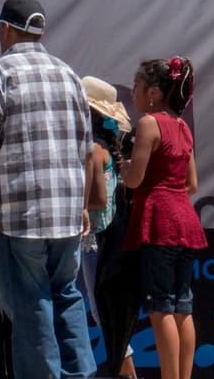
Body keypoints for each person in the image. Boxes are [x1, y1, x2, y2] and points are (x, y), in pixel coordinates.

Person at [0, 0, 96, 379]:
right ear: (41, 32)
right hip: (66, 216)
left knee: (32, 305)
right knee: (66, 297)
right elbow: (87, 151)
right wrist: (82, 207)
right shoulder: (68, 74)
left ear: (4, 29)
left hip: (21, 218)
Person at [121, 57, 204, 379]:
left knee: (160, 308)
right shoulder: (183, 127)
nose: (133, 92)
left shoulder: (148, 124)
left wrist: (123, 166)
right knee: (182, 306)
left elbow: (135, 179)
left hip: (159, 222)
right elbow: (192, 184)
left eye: (138, 86)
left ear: (154, 91)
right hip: (185, 219)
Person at [80, 75, 138, 379]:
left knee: (103, 313)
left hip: (95, 240)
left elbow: (99, 201)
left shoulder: (92, 149)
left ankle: (127, 375)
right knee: (106, 312)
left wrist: (74, 205)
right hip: (110, 237)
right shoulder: (106, 146)